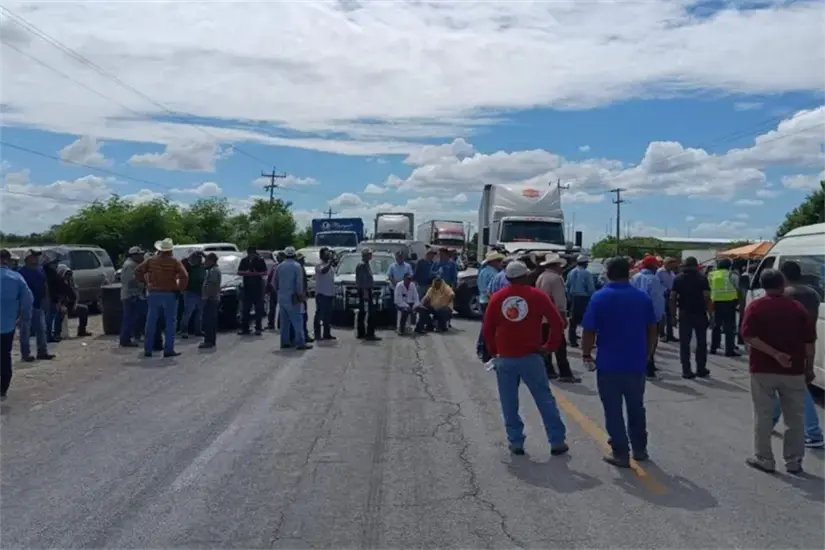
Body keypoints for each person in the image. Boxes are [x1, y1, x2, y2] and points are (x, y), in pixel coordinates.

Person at [482, 260, 569, 456]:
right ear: (525, 276)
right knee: (545, 400)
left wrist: (494, 351)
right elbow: (557, 322)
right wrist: (550, 346)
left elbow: (487, 329)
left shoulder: (497, 298)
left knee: (509, 402)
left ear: (507, 278)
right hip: (532, 356)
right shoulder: (537, 296)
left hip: (505, 358)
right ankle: (556, 441)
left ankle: (516, 442)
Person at [581, 257, 658, 468]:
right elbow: (652, 328)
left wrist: (586, 354)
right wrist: (649, 353)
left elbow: (589, 330)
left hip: (608, 364)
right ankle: (640, 449)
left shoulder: (600, 297)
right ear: (629, 272)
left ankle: (620, 453)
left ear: (607, 272)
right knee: (636, 407)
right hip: (636, 363)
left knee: (613, 410)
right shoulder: (642, 298)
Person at [741, 268, 814, 474]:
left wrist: (774, 354)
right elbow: (809, 343)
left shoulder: (755, 307)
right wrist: (808, 367)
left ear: (763, 286)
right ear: (783, 284)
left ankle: (764, 458)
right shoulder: (797, 308)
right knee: (795, 418)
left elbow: (748, 337)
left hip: (762, 370)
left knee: (763, 416)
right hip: (794, 370)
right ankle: (794, 461)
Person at [770, 261, 824, 449]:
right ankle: (770, 422)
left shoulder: (788, 294)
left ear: (782, 275)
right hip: (807, 342)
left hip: (788, 346)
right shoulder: (813, 294)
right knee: (784, 385)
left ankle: (813, 432)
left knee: (797, 388)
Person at [135, 238, 189, 358]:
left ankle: (148, 349)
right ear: (170, 250)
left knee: (151, 322)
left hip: (154, 293)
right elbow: (184, 276)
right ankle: (168, 349)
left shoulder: (151, 261)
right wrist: (179, 289)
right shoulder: (174, 261)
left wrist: (146, 283)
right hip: (169, 294)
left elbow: (138, 271)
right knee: (170, 323)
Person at [535, 253, 580, 383]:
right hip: (553, 317)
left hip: (542, 317)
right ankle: (565, 373)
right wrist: (563, 318)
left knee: (546, 344)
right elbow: (560, 302)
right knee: (560, 346)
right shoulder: (556, 279)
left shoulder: (541, 277)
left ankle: (548, 370)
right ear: (555, 266)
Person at [670, 256, 712, 379]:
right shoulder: (702, 278)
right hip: (700, 313)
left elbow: (672, 298)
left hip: (684, 314)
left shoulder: (678, 278)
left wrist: (673, 315)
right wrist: (711, 315)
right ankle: (701, 368)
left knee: (684, 343)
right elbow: (707, 298)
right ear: (695, 265)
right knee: (701, 343)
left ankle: (686, 370)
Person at [0, 249, 34, 400]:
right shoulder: (16, 278)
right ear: (6, 260)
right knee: (4, 356)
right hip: (7, 325)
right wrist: (22, 317)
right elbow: (28, 300)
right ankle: (2, 388)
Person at [631, 255, 666, 380]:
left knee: (639, 341)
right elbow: (656, 300)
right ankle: (649, 369)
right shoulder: (654, 279)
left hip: (636, 315)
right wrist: (659, 315)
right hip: (651, 316)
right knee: (651, 342)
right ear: (652, 266)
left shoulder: (635, 277)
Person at [16, 249, 54, 362]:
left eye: (37, 256)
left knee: (42, 329)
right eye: (34, 256)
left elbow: (45, 284)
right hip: (25, 305)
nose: (36, 258)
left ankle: (42, 352)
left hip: (38, 304)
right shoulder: (21, 272)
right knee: (25, 331)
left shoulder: (40, 270)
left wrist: (46, 298)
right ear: (27, 258)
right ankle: (25, 354)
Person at [274, 247, 311, 350]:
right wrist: (300, 296)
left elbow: (274, 282)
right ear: (294, 255)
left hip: (282, 297)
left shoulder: (279, 266)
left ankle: (285, 342)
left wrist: (279, 292)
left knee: (284, 322)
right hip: (293, 297)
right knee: (297, 321)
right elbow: (299, 283)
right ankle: (300, 343)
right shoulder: (297, 266)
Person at [476, 251, 504, 360]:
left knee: (485, 325)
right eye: (498, 261)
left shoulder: (483, 271)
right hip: (489, 300)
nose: (499, 263)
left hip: (482, 299)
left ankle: (480, 348)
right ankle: (484, 350)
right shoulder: (494, 274)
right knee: (488, 327)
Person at [709, 258, 740, 357]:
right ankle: (729, 351)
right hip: (729, 303)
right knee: (729, 328)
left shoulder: (711, 275)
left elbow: (709, 288)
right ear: (729, 266)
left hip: (715, 303)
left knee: (716, 326)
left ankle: (713, 348)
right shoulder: (732, 275)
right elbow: (738, 288)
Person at [565, 254, 595, 347]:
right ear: (585, 263)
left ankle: (572, 341)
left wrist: (569, 298)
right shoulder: (587, 273)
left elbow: (567, 286)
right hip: (584, 298)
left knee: (573, 320)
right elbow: (590, 288)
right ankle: (586, 342)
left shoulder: (571, 272)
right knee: (586, 320)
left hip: (573, 297)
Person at [237, 246, 268, 336]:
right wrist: (246, 273)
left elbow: (265, 272)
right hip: (247, 288)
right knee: (245, 309)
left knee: (258, 309)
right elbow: (239, 272)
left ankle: (258, 328)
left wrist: (256, 273)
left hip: (258, 288)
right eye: (249, 253)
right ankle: (245, 328)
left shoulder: (260, 261)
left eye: (252, 253)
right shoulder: (244, 261)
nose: (251, 255)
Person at [120, 246, 146, 348]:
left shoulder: (134, 264)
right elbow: (130, 281)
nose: (141, 256)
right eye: (139, 255)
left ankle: (135, 336)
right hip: (130, 295)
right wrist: (141, 281)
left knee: (135, 317)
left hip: (134, 294)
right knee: (129, 318)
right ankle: (125, 340)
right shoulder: (129, 265)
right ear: (134, 255)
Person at [58, 266, 92, 338]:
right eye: (67, 275)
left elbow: (75, 297)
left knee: (84, 309)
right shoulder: (60, 284)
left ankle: (82, 330)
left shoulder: (71, 284)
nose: (69, 277)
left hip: (71, 305)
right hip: (62, 306)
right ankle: (58, 333)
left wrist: (75, 304)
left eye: (70, 275)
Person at [355, 248, 380, 341]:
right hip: (365, 292)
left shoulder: (366, 265)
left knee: (366, 312)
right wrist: (366, 293)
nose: (371, 256)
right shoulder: (362, 266)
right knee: (368, 313)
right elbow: (363, 281)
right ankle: (368, 333)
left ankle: (364, 332)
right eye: (369, 254)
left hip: (368, 291)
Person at [180, 251, 206, 339]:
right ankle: (184, 330)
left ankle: (198, 330)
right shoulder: (188, 267)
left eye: (199, 258)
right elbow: (182, 262)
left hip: (200, 292)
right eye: (195, 258)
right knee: (188, 312)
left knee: (199, 313)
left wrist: (203, 254)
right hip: (190, 291)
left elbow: (213, 262)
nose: (197, 259)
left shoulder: (203, 266)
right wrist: (193, 254)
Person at [199, 253, 222, 349]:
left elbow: (212, 286)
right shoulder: (213, 269)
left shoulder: (213, 271)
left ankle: (209, 341)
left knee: (209, 321)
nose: (205, 262)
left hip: (210, 299)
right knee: (210, 320)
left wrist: (207, 296)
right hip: (211, 298)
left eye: (207, 260)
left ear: (211, 261)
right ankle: (210, 340)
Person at [313, 247, 336, 341]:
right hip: (321, 294)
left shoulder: (331, 267)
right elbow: (323, 271)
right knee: (319, 315)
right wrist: (330, 262)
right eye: (326, 254)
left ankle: (327, 333)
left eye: (328, 254)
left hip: (330, 294)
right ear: (321, 255)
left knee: (328, 316)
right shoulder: (318, 265)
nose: (328, 255)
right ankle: (317, 334)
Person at [657, 258, 678, 342]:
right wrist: (666, 290)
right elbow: (658, 283)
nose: (673, 266)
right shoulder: (660, 272)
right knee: (662, 316)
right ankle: (661, 334)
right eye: (672, 264)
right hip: (663, 295)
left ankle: (670, 335)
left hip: (671, 295)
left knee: (670, 315)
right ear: (667, 264)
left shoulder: (672, 273)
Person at [266, 251, 285, 330]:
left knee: (282, 307)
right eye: (277, 256)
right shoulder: (274, 266)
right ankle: (271, 324)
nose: (278, 258)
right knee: (272, 308)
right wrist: (267, 288)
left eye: (280, 256)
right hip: (273, 289)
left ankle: (280, 324)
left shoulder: (284, 266)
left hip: (281, 289)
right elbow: (269, 278)